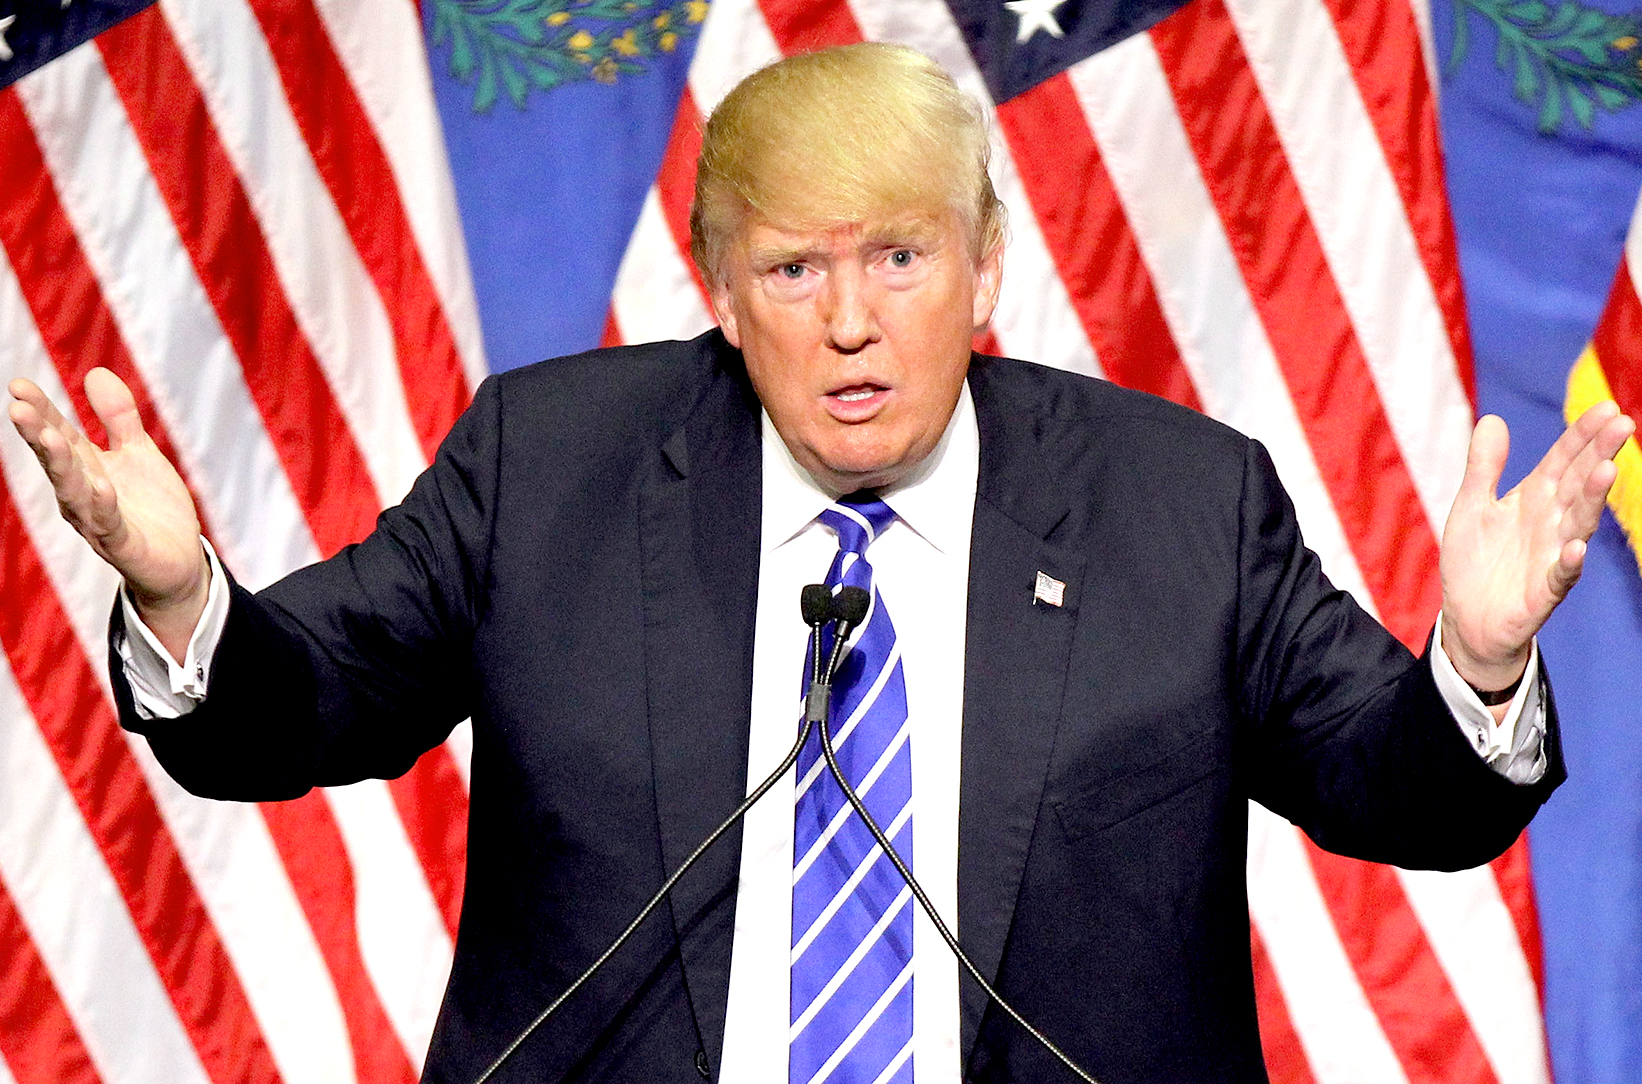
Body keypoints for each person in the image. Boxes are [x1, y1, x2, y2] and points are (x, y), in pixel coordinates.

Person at [8, 42, 1634, 1084]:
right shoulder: (549, 466)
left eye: (899, 259)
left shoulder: (1176, 503)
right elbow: (304, 711)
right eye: (792, 269)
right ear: (718, 290)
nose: (850, 324)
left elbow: (1397, 789)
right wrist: (178, 592)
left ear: (985, 267)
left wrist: (1475, 668)